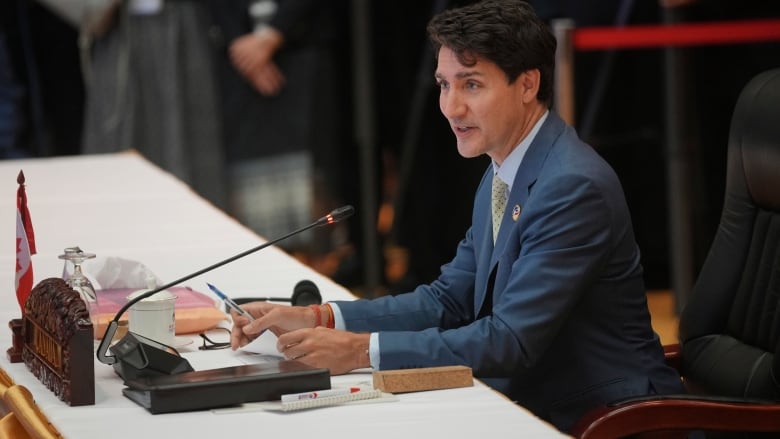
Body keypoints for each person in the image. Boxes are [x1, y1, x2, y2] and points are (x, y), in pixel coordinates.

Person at [229, 0, 684, 432]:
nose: (451, 107)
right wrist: (320, 318)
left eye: (471, 84)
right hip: (533, 399)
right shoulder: (505, 167)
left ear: (527, 85)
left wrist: (358, 350)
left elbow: (511, 340)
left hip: (603, 416)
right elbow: (449, 301)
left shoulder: (571, 186)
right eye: (445, 84)